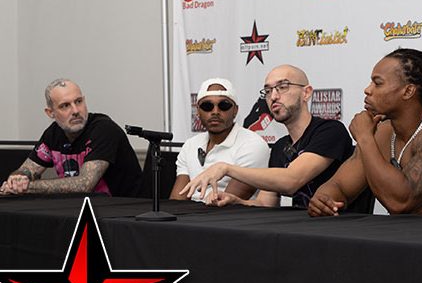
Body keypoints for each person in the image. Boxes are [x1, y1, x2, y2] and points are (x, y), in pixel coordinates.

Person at [308, 48, 422, 219]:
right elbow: (340, 186)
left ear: (408, 91)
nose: (367, 90)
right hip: (408, 239)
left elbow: (401, 202)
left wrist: (364, 138)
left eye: (377, 83)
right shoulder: (382, 132)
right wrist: (324, 200)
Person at [180, 65, 353, 208]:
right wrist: (237, 201)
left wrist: (226, 168)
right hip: (301, 229)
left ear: (306, 93)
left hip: (338, 228)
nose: (274, 97)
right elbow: (266, 203)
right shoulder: (280, 147)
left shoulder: (330, 131)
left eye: (283, 87)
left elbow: (291, 180)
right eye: (268, 91)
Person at [0, 79, 142, 196]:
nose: (75, 111)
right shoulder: (53, 134)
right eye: (65, 106)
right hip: (82, 209)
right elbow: (28, 169)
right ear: (50, 113)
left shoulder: (104, 129)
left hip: (125, 212)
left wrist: (27, 187)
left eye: (78, 101)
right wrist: (18, 178)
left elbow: (84, 184)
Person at [169, 78, 272, 203]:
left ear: (235, 110)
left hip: (229, 214)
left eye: (224, 105)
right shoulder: (190, 145)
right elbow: (177, 201)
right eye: (207, 106)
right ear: (198, 111)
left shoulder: (253, 145)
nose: (215, 112)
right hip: (190, 213)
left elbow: (226, 203)